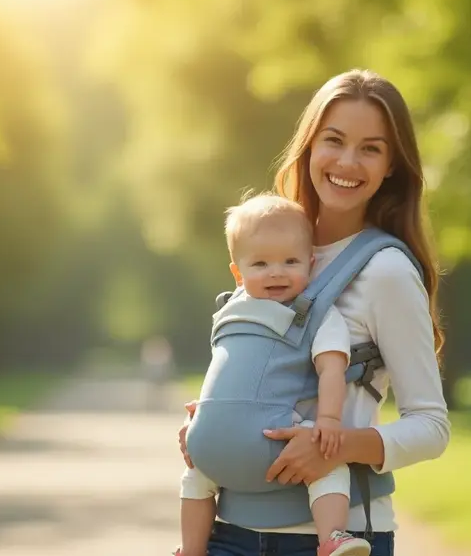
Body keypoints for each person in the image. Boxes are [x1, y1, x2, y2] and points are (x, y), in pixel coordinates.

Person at [177, 68, 451, 556]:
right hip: (229, 533)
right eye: (335, 140)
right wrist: (214, 424)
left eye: (371, 148)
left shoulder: (386, 271)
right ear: (309, 146)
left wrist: (332, 445)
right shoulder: (275, 246)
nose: (348, 161)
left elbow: (431, 428)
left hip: (331, 540)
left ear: (391, 165)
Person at [178, 193, 372, 556]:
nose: (277, 272)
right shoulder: (318, 316)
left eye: (290, 261)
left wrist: (204, 416)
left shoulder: (227, 315)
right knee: (329, 467)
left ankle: (192, 549)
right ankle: (332, 537)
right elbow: (331, 367)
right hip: (266, 440)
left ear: (311, 264)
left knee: (195, 480)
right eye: (261, 263)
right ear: (238, 273)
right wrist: (328, 422)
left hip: (207, 446)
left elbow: (227, 369)